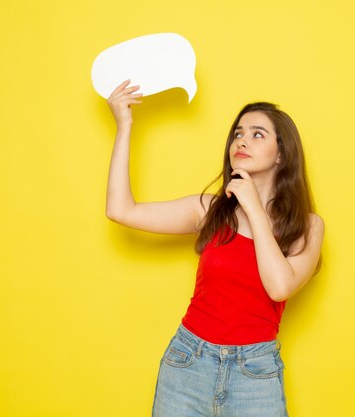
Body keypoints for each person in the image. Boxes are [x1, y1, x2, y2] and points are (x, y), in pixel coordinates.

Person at [105, 79, 324, 417]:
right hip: (188, 361)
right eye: (238, 133)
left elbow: (280, 287)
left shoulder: (308, 226)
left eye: (257, 134)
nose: (242, 141)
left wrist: (253, 207)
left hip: (256, 373)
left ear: (281, 154)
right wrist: (125, 125)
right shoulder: (208, 209)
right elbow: (121, 210)